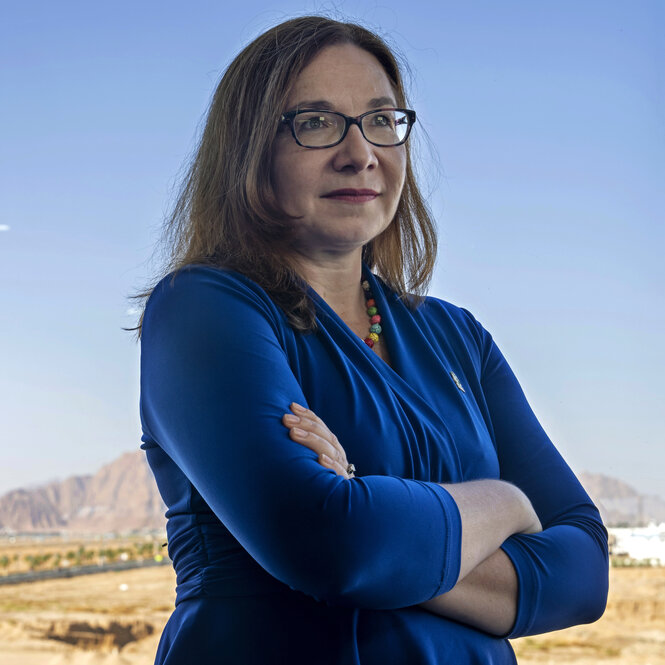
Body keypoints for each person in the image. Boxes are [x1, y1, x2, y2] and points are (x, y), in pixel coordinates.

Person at [137, 15, 609, 664]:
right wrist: (504, 501)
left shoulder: (458, 337)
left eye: (382, 120)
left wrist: (370, 509)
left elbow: (583, 573)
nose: (359, 152)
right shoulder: (202, 309)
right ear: (249, 148)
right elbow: (334, 547)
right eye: (315, 121)